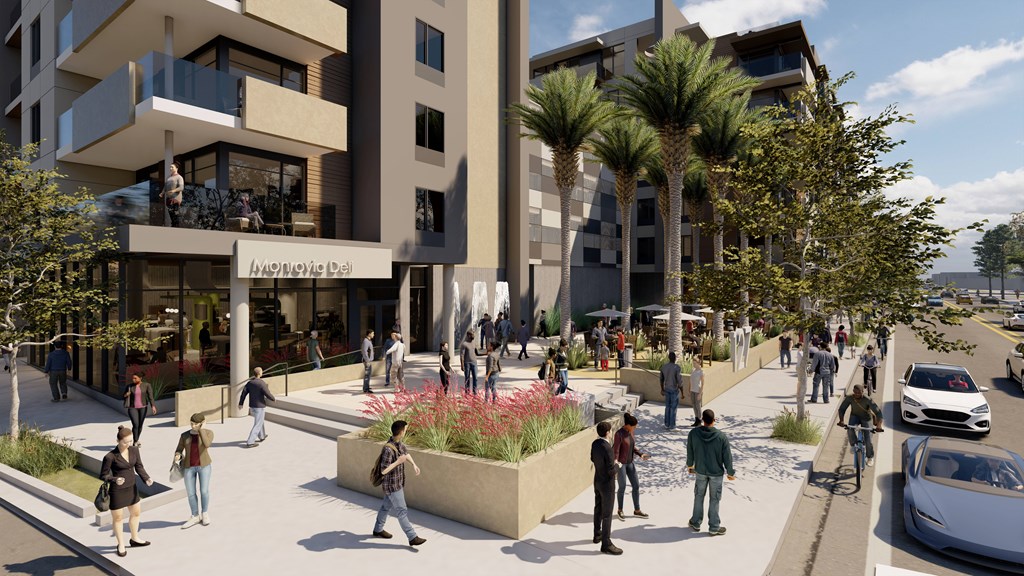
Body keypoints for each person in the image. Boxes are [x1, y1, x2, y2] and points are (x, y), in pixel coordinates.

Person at [101, 426, 154, 557]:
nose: (128, 444)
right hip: (117, 491)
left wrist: (146, 478)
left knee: (136, 514)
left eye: (130, 441)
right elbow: (103, 475)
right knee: (118, 518)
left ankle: (135, 538)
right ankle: (121, 544)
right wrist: (114, 479)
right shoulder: (110, 456)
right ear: (117, 440)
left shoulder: (134, 450)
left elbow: (139, 466)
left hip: (132, 488)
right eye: (125, 442)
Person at [372, 420, 426, 547]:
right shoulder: (388, 449)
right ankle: (412, 537)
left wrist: (414, 464)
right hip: (392, 486)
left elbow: (406, 454)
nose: (406, 431)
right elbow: (383, 470)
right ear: (401, 432)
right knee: (402, 511)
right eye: (406, 429)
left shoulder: (398, 443)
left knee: (385, 507)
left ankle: (377, 529)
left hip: (398, 483)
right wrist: (398, 462)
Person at [687, 409, 735, 536]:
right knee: (715, 499)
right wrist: (730, 472)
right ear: (714, 420)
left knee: (698, 496)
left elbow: (690, 451)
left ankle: (695, 522)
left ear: (702, 420)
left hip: (700, 471)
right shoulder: (721, 437)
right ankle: (714, 527)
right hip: (716, 474)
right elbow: (727, 457)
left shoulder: (693, 433)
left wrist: (690, 465)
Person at [174, 412, 213, 529]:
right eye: (191, 424)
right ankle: (195, 515)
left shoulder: (208, 433)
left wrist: (201, 430)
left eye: (196, 424)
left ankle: (204, 513)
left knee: (204, 491)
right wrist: (177, 455)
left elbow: (207, 444)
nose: (193, 426)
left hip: (204, 466)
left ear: (201, 423)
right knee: (191, 493)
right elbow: (179, 449)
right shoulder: (184, 435)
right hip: (188, 467)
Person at [590, 421, 622, 555]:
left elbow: (592, 459)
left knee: (598, 508)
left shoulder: (595, 443)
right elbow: (611, 471)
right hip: (607, 485)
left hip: (597, 480)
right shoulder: (607, 447)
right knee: (607, 514)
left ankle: (597, 535)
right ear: (608, 433)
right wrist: (617, 465)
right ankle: (606, 544)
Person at [613, 413, 650, 521]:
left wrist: (641, 454)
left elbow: (632, 447)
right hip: (621, 464)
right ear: (628, 425)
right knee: (622, 487)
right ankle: (620, 510)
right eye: (634, 426)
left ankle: (637, 510)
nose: (635, 428)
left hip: (630, 463)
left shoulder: (631, 433)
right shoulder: (619, 434)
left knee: (636, 486)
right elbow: (616, 450)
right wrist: (616, 462)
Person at [837, 384, 883, 467]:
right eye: (855, 392)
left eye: (859, 393)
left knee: (868, 439)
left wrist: (879, 426)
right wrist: (841, 420)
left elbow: (878, 412)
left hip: (866, 418)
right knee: (849, 429)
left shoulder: (867, 399)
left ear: (863, 392)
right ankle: (853, 444)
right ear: (853, 391)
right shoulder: (850, 398)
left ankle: (870, 457)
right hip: (855, 416)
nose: (857, 394)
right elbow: (842, 409)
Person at [238, 367, 275, 448]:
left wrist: (241, 403)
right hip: (260, 407)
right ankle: (250, 442)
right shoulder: (262, 383)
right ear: (259, 373)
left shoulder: (249, 383)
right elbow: (267, 393)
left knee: (259, 421)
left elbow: (243, 393)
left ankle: (262, 436)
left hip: (252, 406)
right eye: (261, 371)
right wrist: (273, 399)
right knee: (257, 424)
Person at [123, 373, 157, 447]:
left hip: (143, 408)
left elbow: (150, 396)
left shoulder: (147, 385)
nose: (133, 380)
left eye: (135, 378)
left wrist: (153, 406)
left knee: (140, 425)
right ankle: (135, 441)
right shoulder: (129, 386)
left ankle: (136, 440)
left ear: (140, 378)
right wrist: (126, 394)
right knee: (135, 424)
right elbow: (123, 396)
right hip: (132, 408)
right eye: (133, 378)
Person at [660, 351, 683, 429]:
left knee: (667, 407)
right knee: (673, 408)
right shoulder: (677, 368)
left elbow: (661, 379)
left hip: (667, 389)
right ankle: (672, 426)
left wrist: (662, 389)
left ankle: (667, 424)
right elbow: (680, 381)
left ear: (669, 358)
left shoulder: (664, 367)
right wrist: (682, 392)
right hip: (674, 390)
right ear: (675, 358)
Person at [158, 162, 185, 228]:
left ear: (176, 168)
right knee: (171, 215)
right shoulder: (168, 178)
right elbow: (165, 186)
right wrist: (162, 193)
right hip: (168, 199)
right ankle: (173, 227)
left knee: (175, 214)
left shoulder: (179, 177)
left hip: (176, 199)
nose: (170, 168)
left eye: (172, 167)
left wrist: (173, 190)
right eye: (170, 167)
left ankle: (177, 227)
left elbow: (181, 187)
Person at [460, 330, 479, 395]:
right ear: (468, 335)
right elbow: (462, 355)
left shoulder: (474, 342)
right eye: (472, 334)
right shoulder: (464, 344)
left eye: (473, 334)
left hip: (474, 363)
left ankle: (475, 392)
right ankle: (467, 393)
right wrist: (462, 365)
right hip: (467, 363)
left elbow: (477, 353)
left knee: (475, 378)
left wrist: (486, 353)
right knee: (467, 379)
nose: (473, 336)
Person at [689, 357, 705, 427]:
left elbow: (703, 383)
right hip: (692, 390)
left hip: (697, 391)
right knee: (694, 405)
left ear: (699, 363)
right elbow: (690, 380)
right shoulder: (693, 370)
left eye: (695, 363)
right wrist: (689, 389)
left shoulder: (701, 372)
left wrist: (700, 393)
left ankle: (700, 420)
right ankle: (696, 420)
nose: (694, 365)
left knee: (698, 406)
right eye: (693, 363)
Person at [361, 329, 375, 394]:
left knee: (368, 374)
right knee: (367, 375)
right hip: (367, 361)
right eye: (372, 333)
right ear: (369, 334)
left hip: (369, 360)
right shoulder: (366, 341)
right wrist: (367, 361)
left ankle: (367, 386)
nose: (373, 335)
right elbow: (364, 351)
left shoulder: (369, 341)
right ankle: (365, 389)